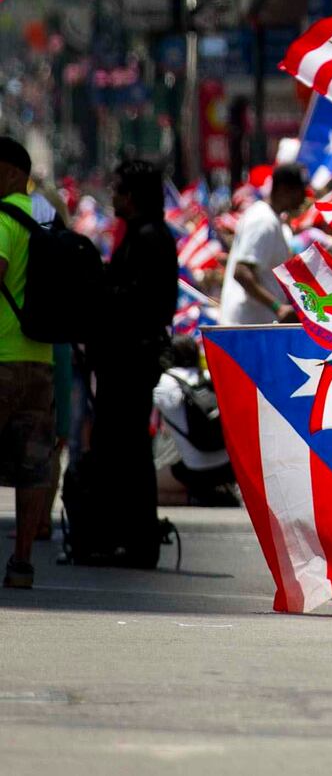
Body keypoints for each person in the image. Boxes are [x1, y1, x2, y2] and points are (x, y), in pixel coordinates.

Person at [69, 157, 175, 566]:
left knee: (128, 451)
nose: (112, 196)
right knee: (119, 449)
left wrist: (98, 289)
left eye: (118, 190)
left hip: (130, 360)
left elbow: (139, 301)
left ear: (133, 197)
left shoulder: (149, 238)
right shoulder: (141, 235)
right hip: (122, 360)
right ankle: (121, 537)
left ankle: (135, 541)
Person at [0, 134, 57, 589]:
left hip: (2, 358)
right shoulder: (48, 218)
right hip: (41, 359)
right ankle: (22, 561)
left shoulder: (3, 218)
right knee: (34, 464)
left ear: (13, 172)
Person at [216, 163, 300, 325]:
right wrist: (278, 307)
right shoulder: (264, 220)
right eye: (299, 192)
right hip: (247, 327)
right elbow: (241, 272)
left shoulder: (270, 219)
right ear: (283, 190)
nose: (303, 198)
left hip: (253, 326)